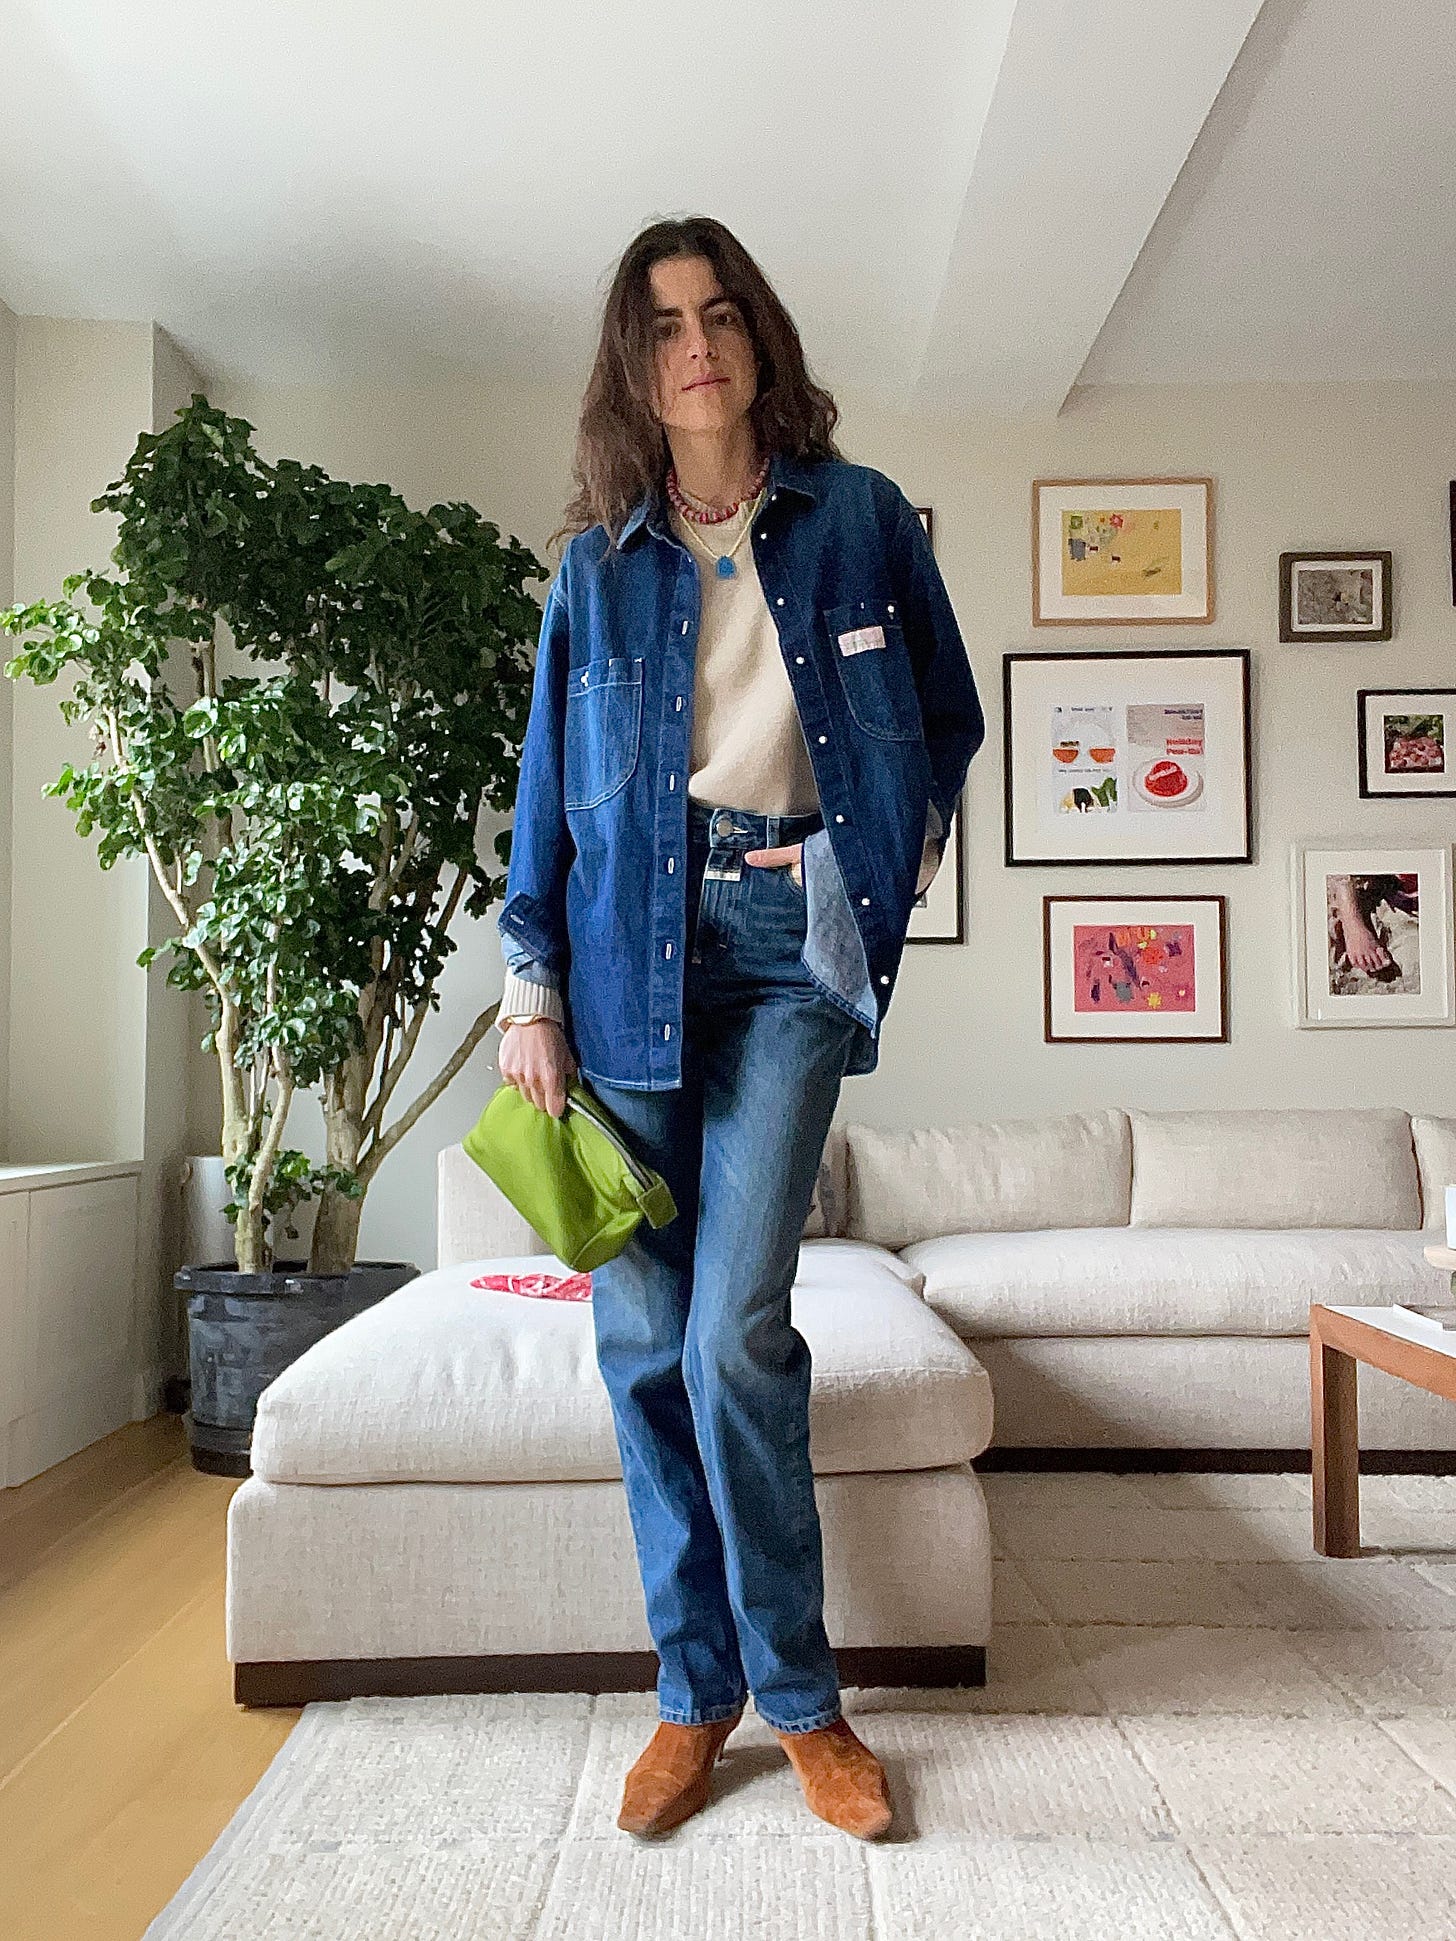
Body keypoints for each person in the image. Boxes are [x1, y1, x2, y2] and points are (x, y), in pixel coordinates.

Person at [493, 215, 984, 1840]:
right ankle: (693, 1692)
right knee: (642, 1341)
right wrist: (532, 990)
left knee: (730, 1333)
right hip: (622, 962)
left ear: (758, 335)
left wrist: (861, 867)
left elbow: (946, 725)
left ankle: (804, 1697)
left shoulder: (861, 520)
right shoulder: (596, 568)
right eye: (662, 326)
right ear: (633, 367)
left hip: (790, 949)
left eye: (718, 314)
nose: (695, 345)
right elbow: (545, 802)